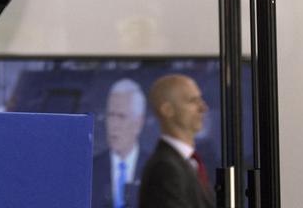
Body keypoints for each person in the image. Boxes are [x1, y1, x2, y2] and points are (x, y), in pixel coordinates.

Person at [138, 74, 215, 208]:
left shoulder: (187, 163)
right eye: (193, 101)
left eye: (200, 100)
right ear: (167, 110)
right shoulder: (165, 169)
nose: (203, 108)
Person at [91, 77, 147, 208]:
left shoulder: (157, 170)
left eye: (121, 116)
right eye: (110, 115)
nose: (113, 125)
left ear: (138, 123)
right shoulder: (90, 170)